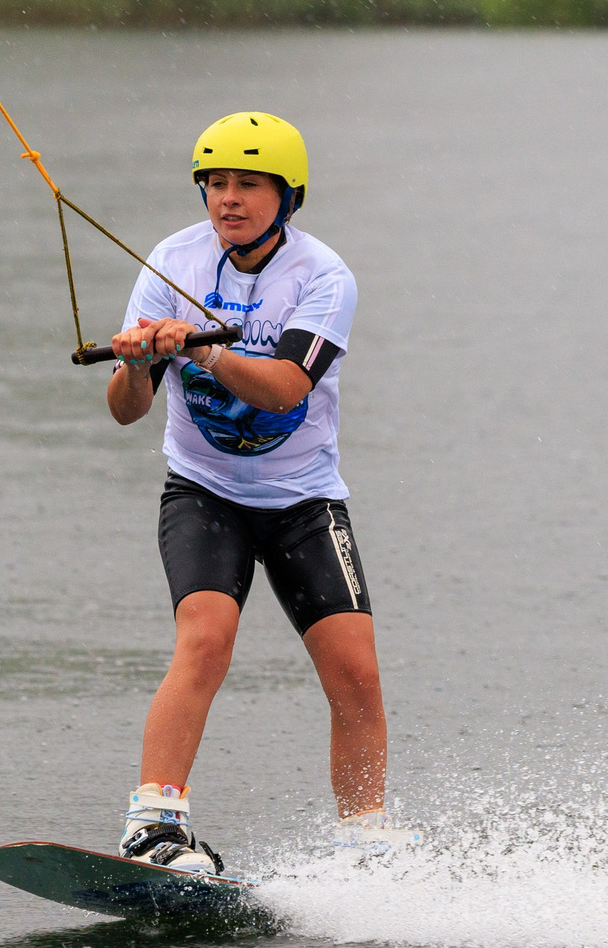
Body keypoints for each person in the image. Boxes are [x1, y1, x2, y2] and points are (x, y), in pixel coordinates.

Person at [104, 112, 397, 873]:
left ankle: (365, 846)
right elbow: (126, 409)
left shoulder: (324, 277)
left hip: (303, 498)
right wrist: (139, 362)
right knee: (205, 638)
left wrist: (195, 342)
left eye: (248, 185)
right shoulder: (172, 260)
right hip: (204, 490)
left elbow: (285, 387)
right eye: (216, 183)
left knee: (355, 672)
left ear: (286, 195)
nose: (228, 199)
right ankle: (155, 827)